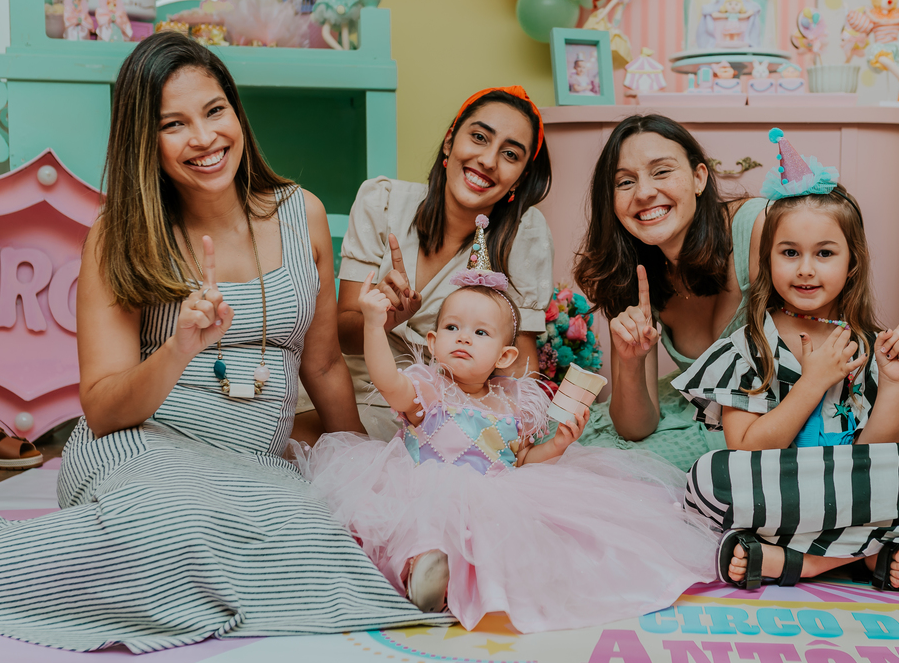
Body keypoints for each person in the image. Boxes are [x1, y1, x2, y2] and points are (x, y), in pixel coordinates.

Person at [0, 31, 452, 647]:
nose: (206, 138)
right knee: (166, 524)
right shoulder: (119, 234)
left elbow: (321, 365)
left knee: (311, 540)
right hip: (139, 450)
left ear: (237, 112)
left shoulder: (303, 213)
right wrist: (180, 344)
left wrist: (361, 481)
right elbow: (104, 410)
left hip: (253, 467)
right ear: (145, 141)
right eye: (174, 124)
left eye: (215, 111)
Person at [293, 218, 716, 633]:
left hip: (497, 497)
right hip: (425, 489)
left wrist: (558, 446)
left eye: (480, 332)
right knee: (418, 526)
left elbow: (522, 460)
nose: (463, 337)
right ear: (433, 342)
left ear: (505, 358)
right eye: (452, 327)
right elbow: (386, 378)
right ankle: (422, 573)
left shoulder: (513, 405)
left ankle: (494, 575)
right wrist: (372, 322)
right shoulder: (428, 392)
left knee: (527, 534)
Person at [675, 129, 899, 592]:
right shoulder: (748, 345)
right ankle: (863, 556)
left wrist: (894, 381)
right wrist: (811, 382)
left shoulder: (869, 344)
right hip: (784, 493)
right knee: (708, 479)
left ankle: (795, 560)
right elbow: (747, 450)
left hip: (851, 490)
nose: (805, 269)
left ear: (851, 262)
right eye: (789, 253)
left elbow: (878, 458)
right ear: (767, 259)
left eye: (824, 253)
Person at [300, 86, 554, 443]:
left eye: (510, 154)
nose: (488, 160)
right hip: (354, 392)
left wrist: (508, 432)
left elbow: (519, 362)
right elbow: (343, 334)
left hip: (449, 410)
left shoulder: (524, 233)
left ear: (522, 176)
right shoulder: (381, 202)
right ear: (450, 141)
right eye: (479, 137)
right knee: (285, 448)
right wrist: (388, 316)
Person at [573, 114, 766, 471]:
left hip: (773, 423)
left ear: (699, 178)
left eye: (661, 171)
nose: (644, 192)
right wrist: (630, 361)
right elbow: (635, 427)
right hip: (700, 415)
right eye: (625, 181)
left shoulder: (756, 228)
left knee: (621, 474)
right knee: (571, 454)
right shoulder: (635, 272)